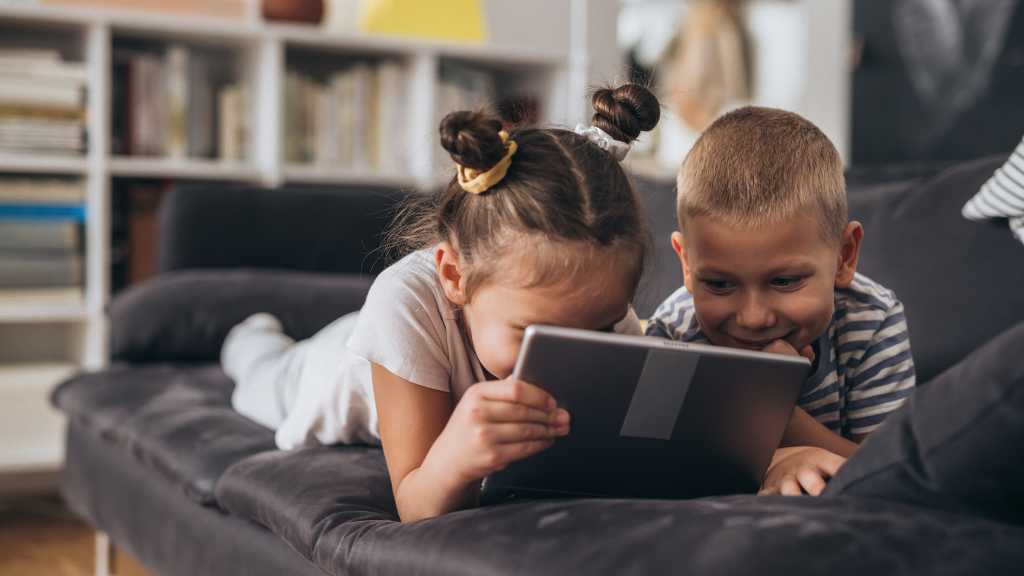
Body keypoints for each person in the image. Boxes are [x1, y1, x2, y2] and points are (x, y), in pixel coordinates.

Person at [221, 83, 661, 522]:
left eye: (600, 330)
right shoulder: (405, 302)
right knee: (260, 370)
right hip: (329, 372)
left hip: (399, 339)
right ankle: (250, 332)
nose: (575, 360)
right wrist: (457, 457)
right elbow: (415, 505)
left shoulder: (601, 309)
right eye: (535, 334)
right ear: (454, 276)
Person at [647, 106, 917, 496]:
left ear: (844, 256)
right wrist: (772, 457)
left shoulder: (872, 320)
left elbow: (897, 474)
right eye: (720, 284)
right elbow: (654, 474)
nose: (754, 318)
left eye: (785, 281)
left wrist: (782, 416)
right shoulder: (671, 336)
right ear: (687, 264)